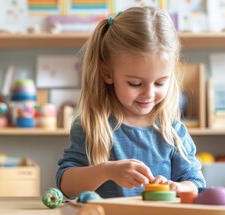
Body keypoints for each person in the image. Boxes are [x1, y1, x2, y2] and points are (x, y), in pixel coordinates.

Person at [56, 6, 206, 199]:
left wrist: (178, 187)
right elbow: (65, 186)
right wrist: (106, 171)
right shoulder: (92, 126)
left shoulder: (173, 131)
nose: (149, 93)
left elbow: (196, 183)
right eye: (135, 83)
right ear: (108, 74)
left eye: (160, 82)